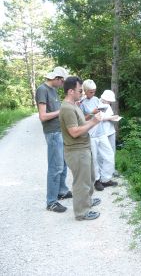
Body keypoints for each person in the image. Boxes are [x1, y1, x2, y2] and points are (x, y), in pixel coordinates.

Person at [59, 76, 102, 221]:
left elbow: (81, 122)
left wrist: (90, 116)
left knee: (89, 178)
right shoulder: (67, 108)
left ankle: (87, 201)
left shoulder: (74, 104)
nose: (82, 92)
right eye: (79, 90)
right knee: (81, 182)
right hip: (76, 151)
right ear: (71, 91)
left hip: (83, 148)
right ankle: (81, 212)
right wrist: (94, 122)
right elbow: (74, 131)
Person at [35, 66, 71, 213]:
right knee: (55, 167)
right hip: (52, 133)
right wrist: (61, 110)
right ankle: (51, 201)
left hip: (59, 131)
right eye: (62, 82)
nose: (63, 85)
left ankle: (61, 191)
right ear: (56, 79)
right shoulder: (42, 90)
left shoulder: (54, 90)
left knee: (63, 164)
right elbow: (42, 116)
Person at [80, 80, 118, 191]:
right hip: (91, 133)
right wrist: (92, 112)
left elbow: (102, 113)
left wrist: (103, 113)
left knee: (109, 155)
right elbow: (82, 119)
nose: (93, 93)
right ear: (85, 91)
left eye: (94, 91)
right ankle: (97, 180)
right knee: (95, 158)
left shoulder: (96, 99)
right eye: (91, 92)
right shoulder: (81, 103)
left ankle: (106, 179)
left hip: (101, 132)